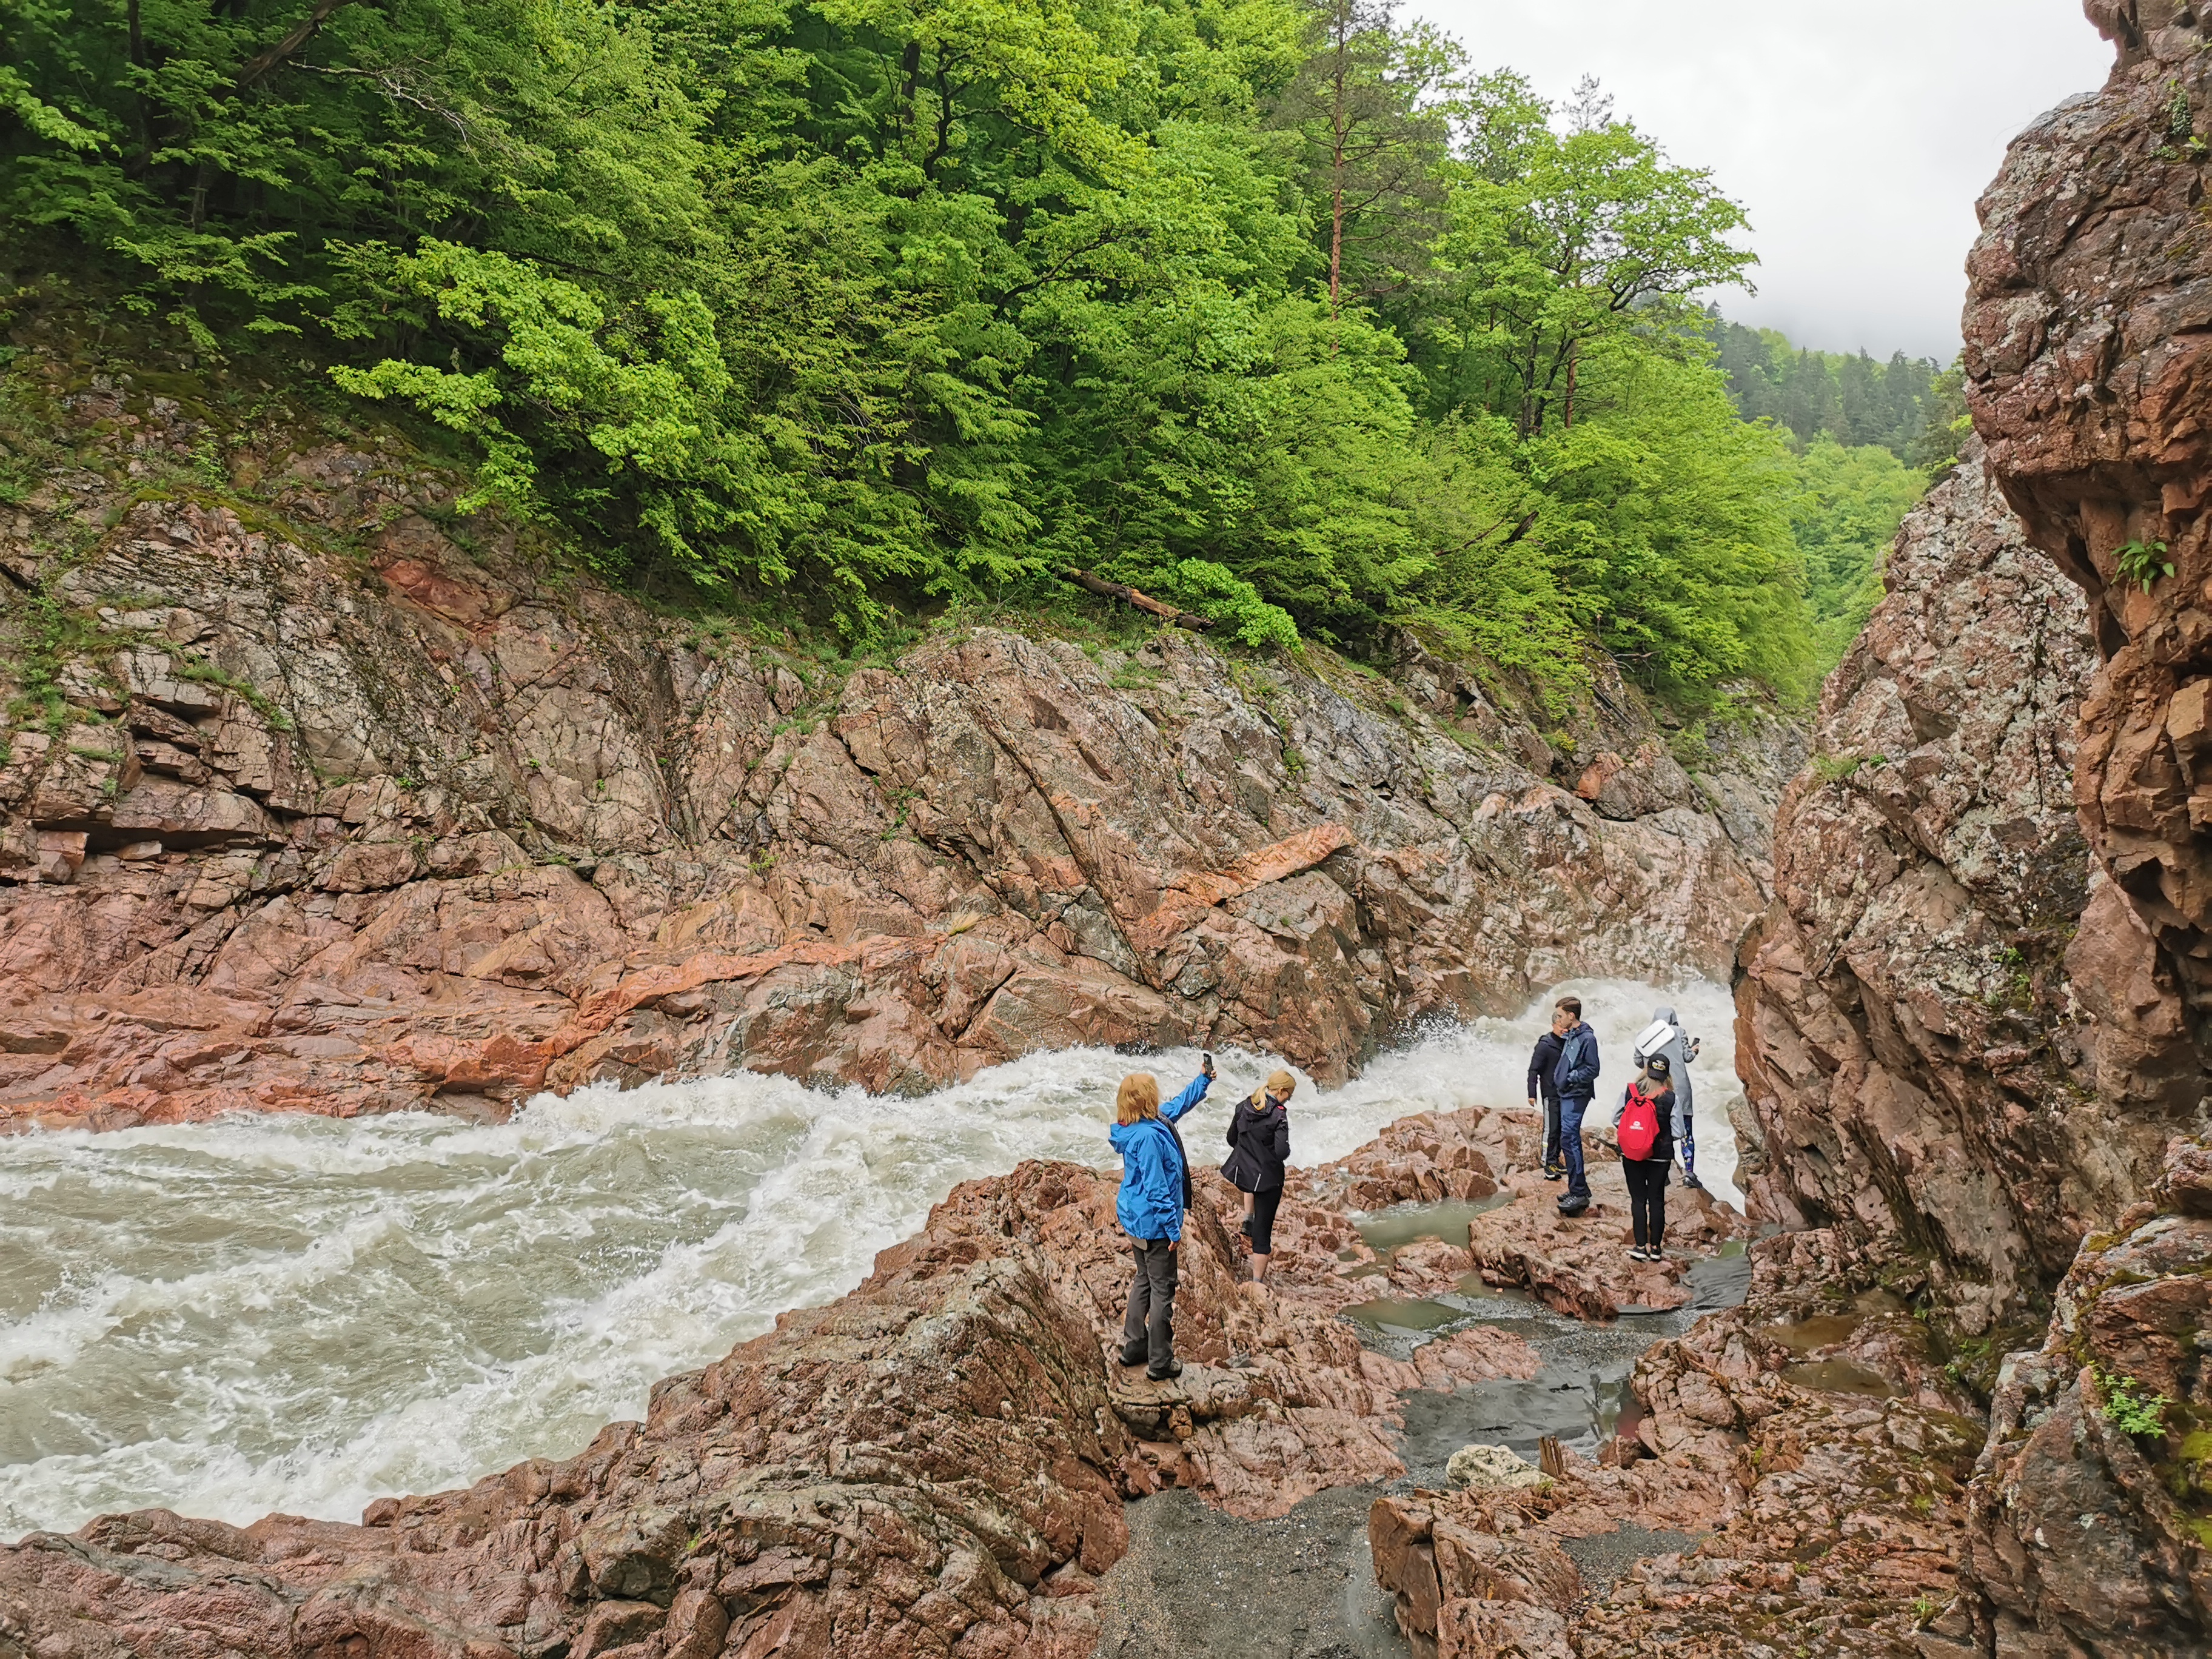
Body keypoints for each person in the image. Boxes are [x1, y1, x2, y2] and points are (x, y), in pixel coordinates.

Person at [1109, 1054, 1215, 1381]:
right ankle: (1160, 1362)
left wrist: (1203, 1080)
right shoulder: (1150, 1138)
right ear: (1148, 1100)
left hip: (1135, 1220)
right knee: (1162, 1291)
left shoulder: (1139, 1125)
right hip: (1154, 1227)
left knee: (1144, 1280)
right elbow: (1157, 1190)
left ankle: (1134, 1347)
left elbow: (1178, 1106)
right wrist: (1173, 1230)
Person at [1223, 1070, 1294, 1284]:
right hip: (1269, 1178)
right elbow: (1282, 1152)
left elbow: (1231, 1138)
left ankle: (1248, 1218)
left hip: (1245, 1172)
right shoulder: (1278, 1115)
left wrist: (1250, 1153)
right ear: (1281, 1091)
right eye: (1289, 1095)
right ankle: (1257, 1282)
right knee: (1263, 1234)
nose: (1289, 1099)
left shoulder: (1244, 1106)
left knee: (1252, 1183)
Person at [1611, 1053, 1677, 1261]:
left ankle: (1640, 1247)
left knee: (1638, 1200)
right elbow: (1678, 1131)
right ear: (1666, 1075)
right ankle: (1656, 1249)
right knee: (1656, 1200)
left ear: (1647, 1070)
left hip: (1632, 1154)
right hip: (1660, 1156)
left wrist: (1635, 1134)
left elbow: (1616, 1119)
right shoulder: (1671, 1097)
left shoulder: (1630, 1091)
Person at [1640, 1005, 1704, 1191]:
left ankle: (1664, 1172)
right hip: (1680, 1088)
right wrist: (1694, 1050)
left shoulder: (1646, 1035)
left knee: (1658, 1129)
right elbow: (1688, 1057)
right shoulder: (1679, 1031)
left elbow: (1638, 1060)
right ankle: (1689, 1174)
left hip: (1654, 1088)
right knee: (1685, 1132)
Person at [1550, 996, 1600, 1217]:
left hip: (1577, 1094)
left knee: (1570, 1140)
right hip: (1567, 1093)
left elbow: (1593, 1069)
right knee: (1567, 1139)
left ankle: (1579, 1193)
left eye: (1560, 1015)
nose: (1558, 1019)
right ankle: (1578, 1188)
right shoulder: (1572, 1034)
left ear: (1572, 1016)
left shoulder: (1587, 1038)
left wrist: (1570, 1078)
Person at [1526, 1008, 1570, 1181]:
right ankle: (1547, 1162)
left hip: (1564, 1093)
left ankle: (1555, 1159)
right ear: (1553, 1025)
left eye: (1566, 1027)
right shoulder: (1545, 1045)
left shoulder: (1568, 1043)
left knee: (1561, 1129)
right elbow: (1533, 1070)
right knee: (1551, 1129)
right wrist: (1532, 1093)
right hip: (1550, 1094)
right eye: (1561, 1027)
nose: (1564, 1030)